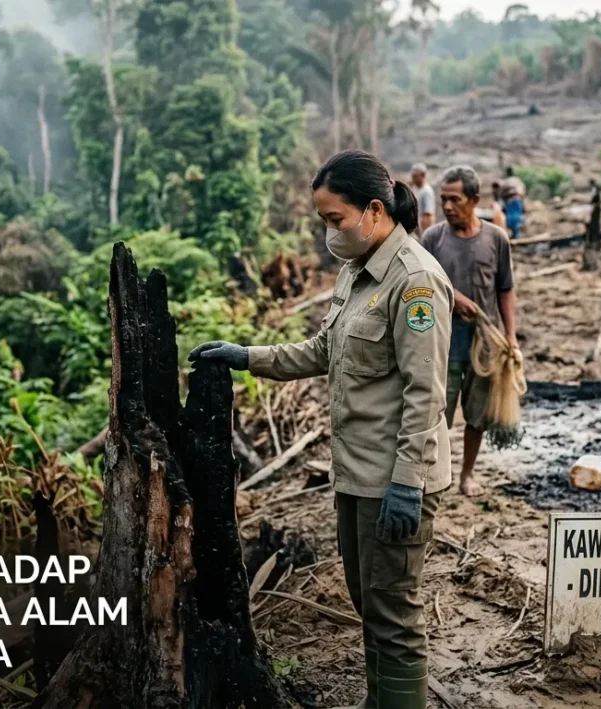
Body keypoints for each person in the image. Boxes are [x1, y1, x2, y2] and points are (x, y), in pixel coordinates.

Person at [191, 150, 453, 709]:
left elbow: (426, 392)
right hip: (358, 472)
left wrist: (408, 482)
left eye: (335, 220)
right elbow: (323, 350)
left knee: (394, 616)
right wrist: (247, 356)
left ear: (374, 210)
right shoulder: (357, 271)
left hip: (396, 480)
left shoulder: (415, 284)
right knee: (368, 601)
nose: (329, 233)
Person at [420, 165, 518, 498]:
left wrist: (511, 336)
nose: (447, 207)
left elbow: (505, 288)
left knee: (476, 413)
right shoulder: (433, 238)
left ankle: (467, 474)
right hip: (442, 342)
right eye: (443, 199)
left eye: (455, 200)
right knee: (436, 412)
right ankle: (437, 475)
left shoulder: (496, 238)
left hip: (484, 342)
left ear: (474, 200)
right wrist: (454, 297)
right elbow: (420, 286)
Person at [410, 163, 435, 233]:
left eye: (415, 176)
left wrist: (424, 233)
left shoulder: (427, 192)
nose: (413, 179)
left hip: (422, 229)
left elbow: (428, 215)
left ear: (422, 175)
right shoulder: (415, 188)